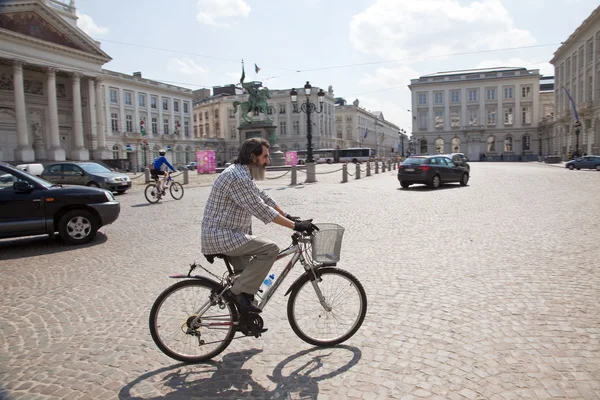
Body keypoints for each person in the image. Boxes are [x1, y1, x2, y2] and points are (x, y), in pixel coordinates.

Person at [201, 137, 317, 314]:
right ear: (253, 156)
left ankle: (243, 315)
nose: (267, 161)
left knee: (247, 280)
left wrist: (288, 216)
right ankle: (234, 294)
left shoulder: (242, 173)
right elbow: (261, 209)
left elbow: (264, 198)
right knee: (270, 249)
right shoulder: (236, 177)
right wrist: (295, 226)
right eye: (264, 157)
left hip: (229, 235)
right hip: (222, 236)